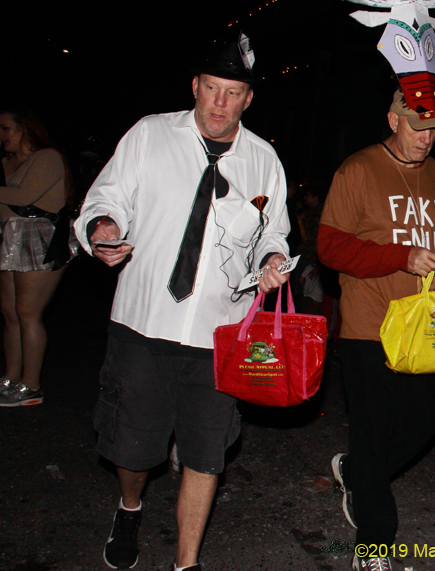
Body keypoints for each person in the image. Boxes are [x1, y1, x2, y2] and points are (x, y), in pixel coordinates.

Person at [74, 33, 291, 571]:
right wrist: (103, 228)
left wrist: (272, 259)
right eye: (212, 88)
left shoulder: (264, 160)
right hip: (144, 325)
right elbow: (107, 197)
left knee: (205, 454)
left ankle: (185, 563)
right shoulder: (150, 134)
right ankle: (130, 506)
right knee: (133, 450)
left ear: (248, 99)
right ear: (195, 86)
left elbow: (273, 232)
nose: (220, 102)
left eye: (233, 92)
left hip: (220, 335)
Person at [317, 89, 435, 571]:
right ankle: (373, 546)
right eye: (417, 127)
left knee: (423, 427)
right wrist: (400, 256)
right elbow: (330, 247)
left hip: (426, 327)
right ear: (392, 120)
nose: (427, 138)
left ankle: (358, 472)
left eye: (434, 130)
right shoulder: (358, 170)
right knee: (374, 431)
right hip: (371, 325)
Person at [0, 109, 74, 406]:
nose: (1, 136)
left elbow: (23, 197)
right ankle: (10, 378)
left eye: (6, 128)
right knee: (9, 313)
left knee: (27, 313)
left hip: (40, 239)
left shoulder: (48, 157)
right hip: (9, 237)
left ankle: (30, 386)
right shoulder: (6, 163)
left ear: (25, 129)